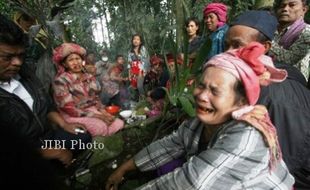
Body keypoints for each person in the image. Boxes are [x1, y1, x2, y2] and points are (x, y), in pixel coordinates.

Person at [105, 43, 294, 190]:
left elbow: (190, 184)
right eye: (201, 86)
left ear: (241, 102)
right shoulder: (197, 123)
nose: (202, 96)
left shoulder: (247, 137)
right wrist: (124, 169)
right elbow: (169, 144)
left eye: (215, 91)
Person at [226, 10, 310, 189]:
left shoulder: (270, 91)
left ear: (265, 47)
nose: (228, 53)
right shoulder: (264, 77)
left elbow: (284, 163)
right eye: (226, 45)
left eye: (237, 45)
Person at [0, 14, 91, 166]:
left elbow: (47, 104)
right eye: (7, 57)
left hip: (46, 137)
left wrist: (64, 125)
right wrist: (43, 152)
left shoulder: (25, 73)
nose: (17, 63)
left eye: (20, 55)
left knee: (83, 138)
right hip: (20, 152)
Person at [52, 43, 124, 137]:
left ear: (82, 60)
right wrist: (99, 116)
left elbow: (96, 99)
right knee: (100, 128)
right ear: (65, 64)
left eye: (77, 59)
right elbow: (69, 109)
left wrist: (103, 112)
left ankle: (105, 138)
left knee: (119, 123)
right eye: (71, 60)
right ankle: (99, 143)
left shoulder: (89, 77)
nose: (76, 62)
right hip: (74, 115)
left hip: (92, 110)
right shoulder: (60, 81)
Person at [270, 0, 310, 81]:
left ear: (304, 10)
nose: (285, 9)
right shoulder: (272, 29)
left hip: (293, 83)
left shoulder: (307, 31)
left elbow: (290, 59)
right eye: (282, 6)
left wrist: (266, 42)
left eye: (292, 5)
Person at [128, 34, 150, 100]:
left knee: (139, 86)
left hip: (142, 70)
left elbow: (146, 61)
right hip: (134, 70)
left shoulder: (143, 48)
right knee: (133, 87)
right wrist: (129, 74)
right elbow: (129, 63)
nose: (136, 40)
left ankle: (144, 100)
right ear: (132, 41)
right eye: (134, 39)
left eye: (138, 39)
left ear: (140, 42)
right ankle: (138, 101)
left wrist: (141, 72)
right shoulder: (130, 51)